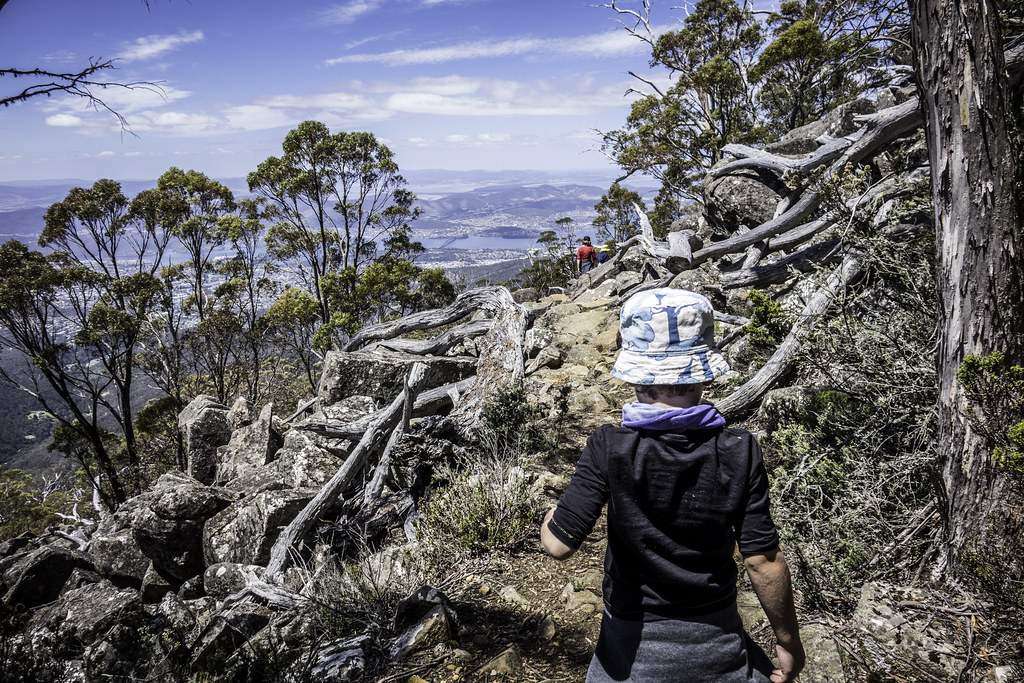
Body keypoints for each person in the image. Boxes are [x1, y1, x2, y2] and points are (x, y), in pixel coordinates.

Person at [540, 289, 805, 683]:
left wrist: (551, 517)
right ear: (703, 373)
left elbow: (558, 545)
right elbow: (761, 562)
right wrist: (787, 642)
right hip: (718, 644)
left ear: (635, 374)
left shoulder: (610, 447)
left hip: (626, 650)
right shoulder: (739, 450)